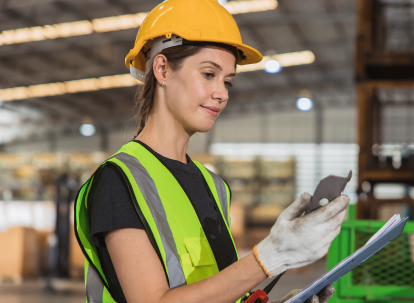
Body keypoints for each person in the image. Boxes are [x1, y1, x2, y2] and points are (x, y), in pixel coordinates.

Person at [74, 0, 350, 302]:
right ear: (163, 69)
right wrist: (270, 255)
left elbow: (218, 293)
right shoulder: (119, 182)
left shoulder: (214, 186)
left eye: (227, 81)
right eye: (208, 74)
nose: (221, 93)